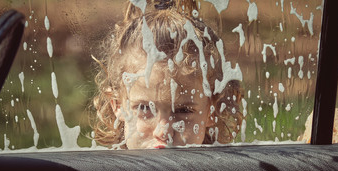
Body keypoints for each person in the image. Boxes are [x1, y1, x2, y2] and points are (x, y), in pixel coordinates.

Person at [91, 0, 243, 149]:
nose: (164, 132)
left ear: (212, 110)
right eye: (144, 108)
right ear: (118, 106)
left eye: (183, 110)